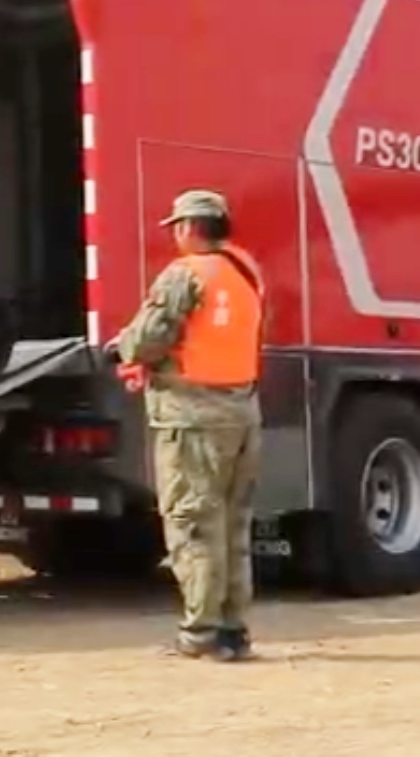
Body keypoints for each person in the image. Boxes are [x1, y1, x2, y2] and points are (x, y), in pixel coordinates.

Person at [111, 189, 264, 661]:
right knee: (232, 527)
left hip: (193, 420)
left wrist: (125, 350)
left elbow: (147, 338)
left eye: (177, 226)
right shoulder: (245, 271)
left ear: (189, 227)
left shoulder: (185, 274)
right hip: (242, 413)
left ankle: (200, 634)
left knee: (194, 524)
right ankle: (234, 632)